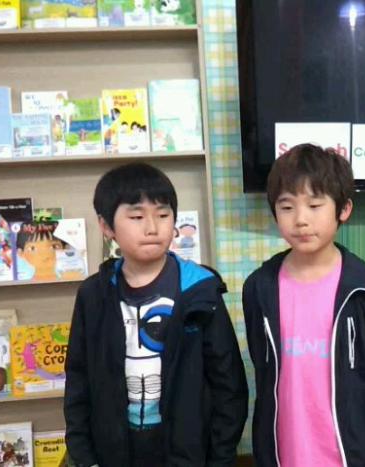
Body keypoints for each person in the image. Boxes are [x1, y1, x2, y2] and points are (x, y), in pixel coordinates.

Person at [64, 162, 248, 467]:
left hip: (186, 452)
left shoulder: (200, 290)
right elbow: (78, 378)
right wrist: (83, 455)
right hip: (113, 451)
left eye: (163, 215)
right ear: (106, 226)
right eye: (137, 217)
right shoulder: (94, 295)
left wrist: (221, 457)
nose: (152, 227)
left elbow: (228, 384)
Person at [243, 144, 365, 466]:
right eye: (287, 207)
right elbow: (263, 369)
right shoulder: (259, 287)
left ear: (344, 209)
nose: (301, 220)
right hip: (284, 453)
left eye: (314, 205)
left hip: (353, 455)